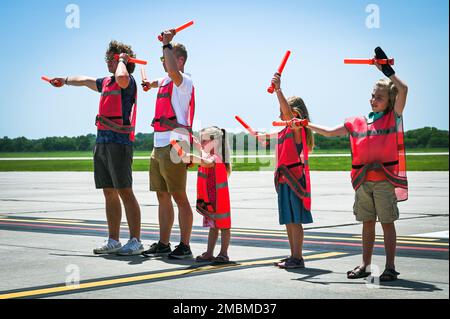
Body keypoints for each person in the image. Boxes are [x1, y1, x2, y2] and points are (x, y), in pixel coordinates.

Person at [306, 47, 409, 281]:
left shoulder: (394, 116)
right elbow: (331, 132)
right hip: (363, 182)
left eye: (379, 97)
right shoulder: (358, 122)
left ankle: (390, 266)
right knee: (367, 224)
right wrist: (305, 124)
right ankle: (366, 265)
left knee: (387, 223)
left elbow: (403, 89)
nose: (374, 100)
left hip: (384, 181)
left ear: (389, 101)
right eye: (372, 95)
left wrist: (386, 70)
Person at [47, 40, 143, 255]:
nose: (108, 62)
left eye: (112, 58)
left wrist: (121, 61)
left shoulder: (127, 81)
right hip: (102, 142)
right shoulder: (106, 82)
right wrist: (65, 80)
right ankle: (113, 240)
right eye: (107, 58)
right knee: (108, 192)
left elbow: (122, 77)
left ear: (122, 60)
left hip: (120, 143)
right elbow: (85, 80)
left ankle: (136, 241)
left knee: (125, 191)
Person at [141, 29, 195, 259]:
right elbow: (156, 81)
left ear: (179, 59)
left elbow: (171, 71)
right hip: (158, 144)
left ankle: (184, 245)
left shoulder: (183, 81)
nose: (164, 63)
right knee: (162, 196)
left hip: (175, 145)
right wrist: (147, 84)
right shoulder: (164, 80)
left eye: (167, 58)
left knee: (179, 196)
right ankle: (163, 243)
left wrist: (166, 42)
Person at [254, 73, 315, 269]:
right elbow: (267, 136)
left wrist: (278, 90)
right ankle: (293, 255)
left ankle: (298, 257)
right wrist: (259, 137)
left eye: (283, 109)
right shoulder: (283, 130)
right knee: (288, 220)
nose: (281, 113)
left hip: (294, 180)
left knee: (295, 220)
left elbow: (288, 116)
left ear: (295, 113)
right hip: (283, 180)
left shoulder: (297, 129)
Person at [181, 127, 233, 263]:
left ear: (215, 142)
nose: (203, 144)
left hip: (219, 199)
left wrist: (191, 157)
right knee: (213, 227)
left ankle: (223, 253)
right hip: (211, 198)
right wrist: (198, 147)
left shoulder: (216, 158)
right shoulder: (209, 154)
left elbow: (207, 162)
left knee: (224, 226)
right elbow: (204, 154)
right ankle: (209, 253)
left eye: (205, 141)